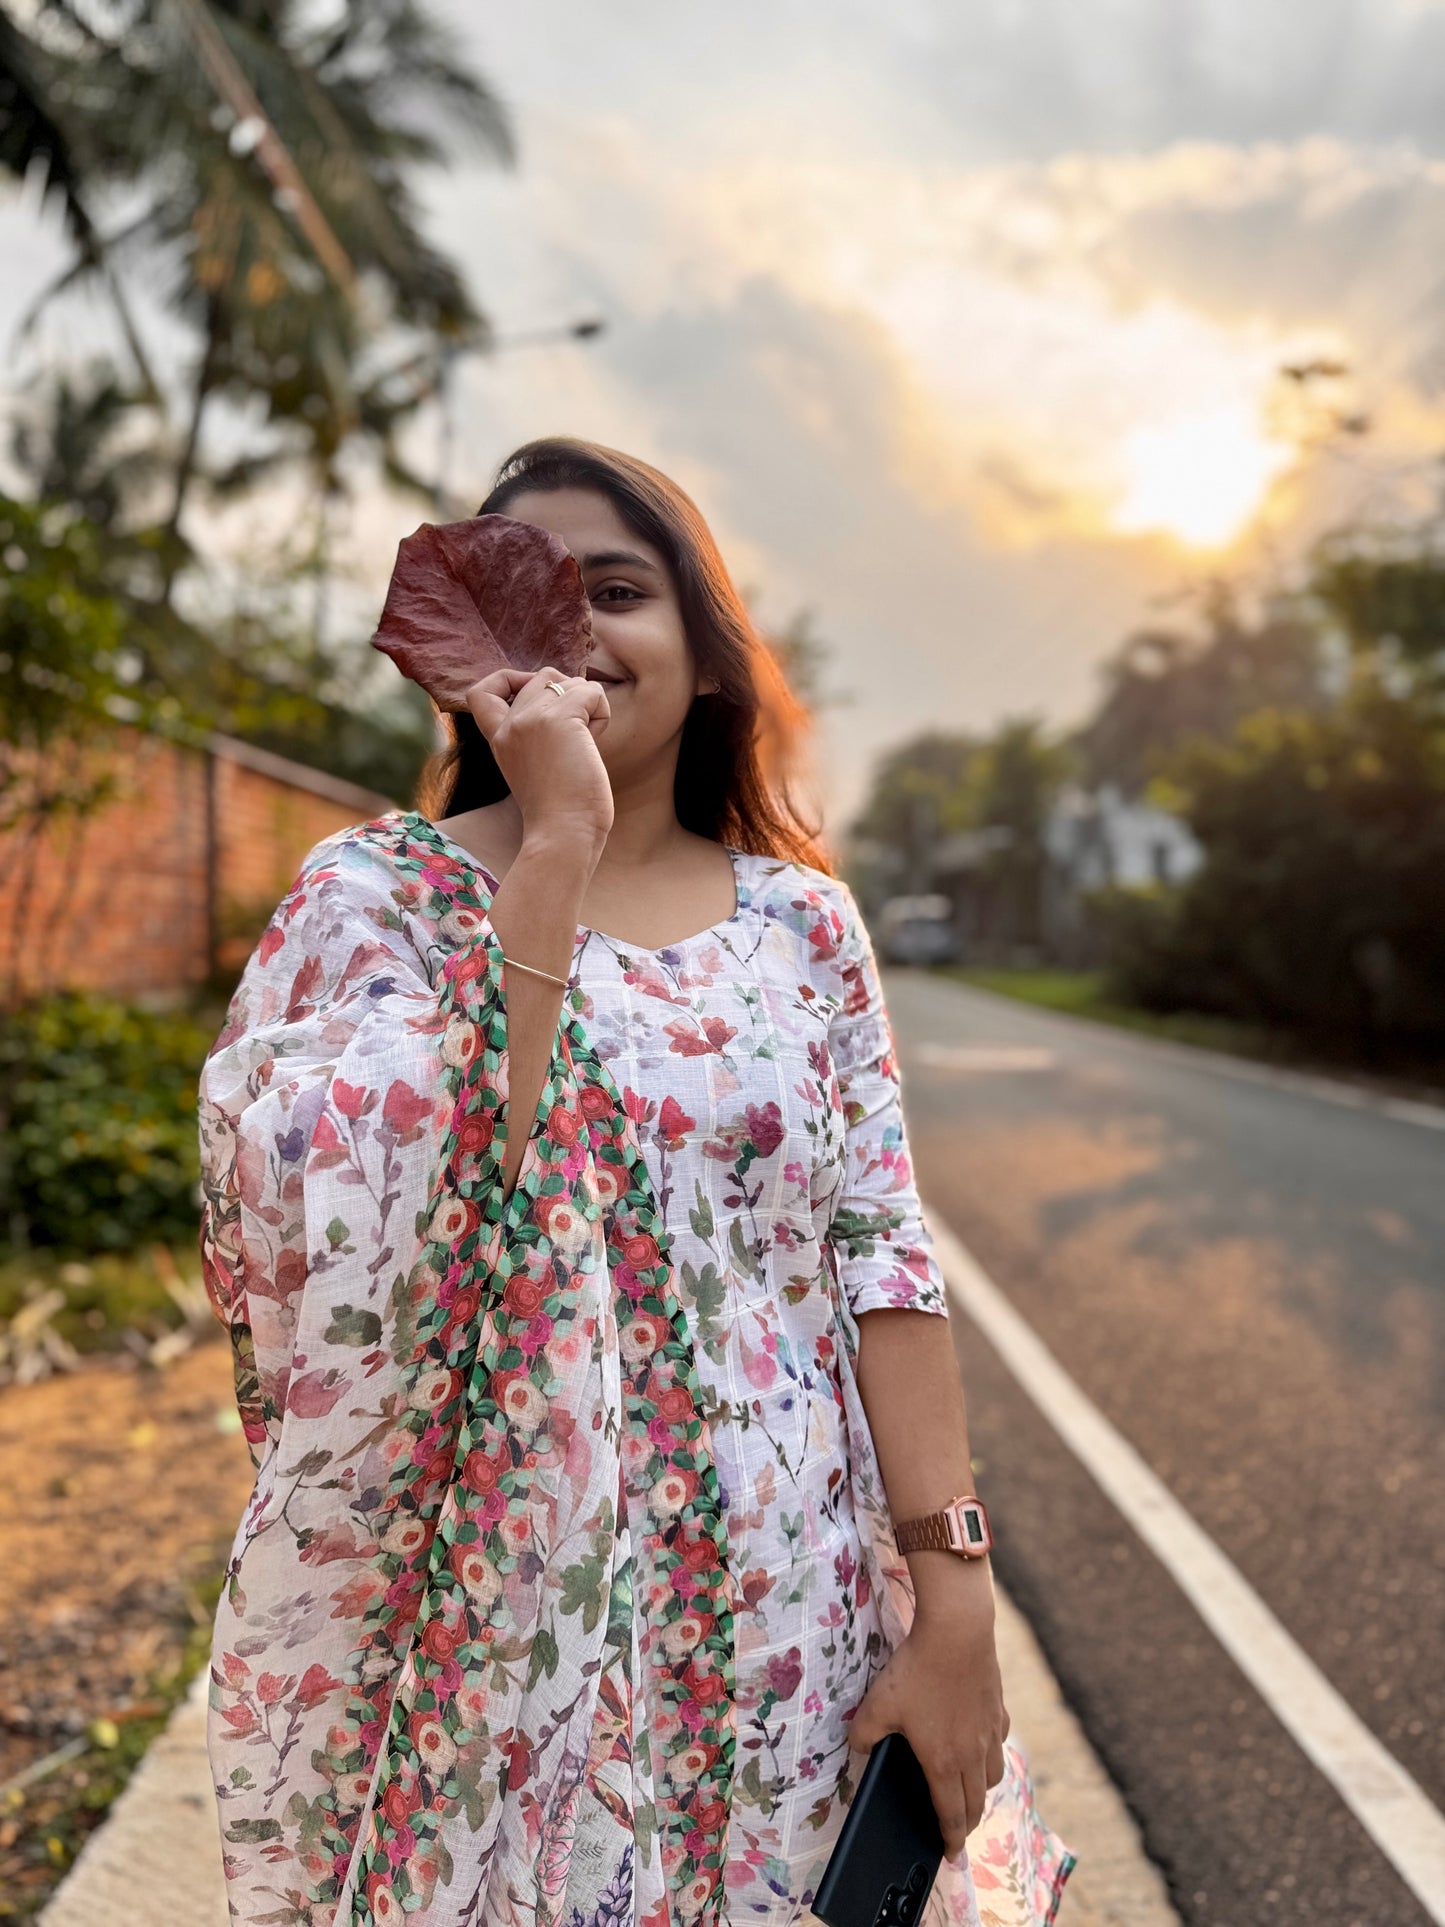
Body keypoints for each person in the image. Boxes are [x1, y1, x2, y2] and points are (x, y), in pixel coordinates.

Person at [197, 436, 1076, 1927]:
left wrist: (956, 1598)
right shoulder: (374, 899)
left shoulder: (804, 926)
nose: (575, 636)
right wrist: (555, 846)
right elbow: (382, 1230)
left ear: (709, 654)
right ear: (454, 647)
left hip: (790, 1611)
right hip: (508, 1623)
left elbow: (877, 1254)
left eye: (614, 588)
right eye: (521, 594)